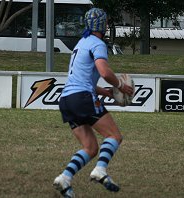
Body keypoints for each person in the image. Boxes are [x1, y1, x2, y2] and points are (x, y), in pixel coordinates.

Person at [53, 8, 134, 198]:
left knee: (90, 148)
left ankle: (64, 178)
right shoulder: (98, 43)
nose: (106, 26)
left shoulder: (81, 43)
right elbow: (104, 72)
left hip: (66, 100)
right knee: (114, 136)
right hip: (82, 98)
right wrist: (121, 85)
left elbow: (81, 78)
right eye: (105, 22)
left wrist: (104, 91)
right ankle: (100, 170)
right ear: (101, 25)